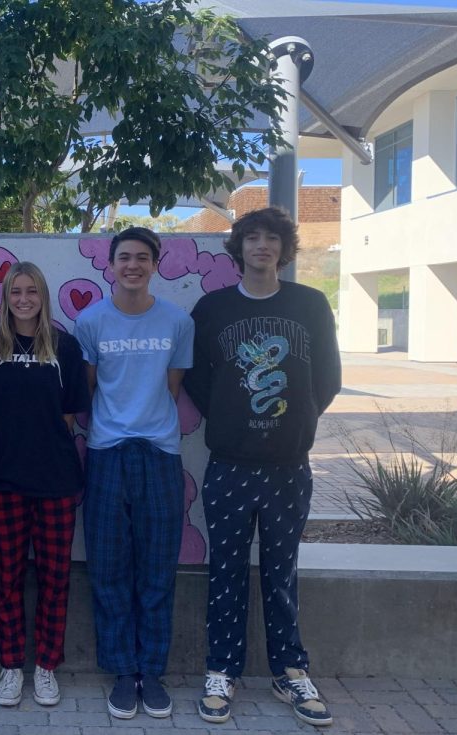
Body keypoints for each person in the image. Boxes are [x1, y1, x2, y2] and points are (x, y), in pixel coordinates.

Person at [183, 207, 341, 727]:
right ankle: (221, 672)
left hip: (288, 465)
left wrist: (296, 421)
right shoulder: (212, 309)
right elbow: (197, 380)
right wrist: (229, 417)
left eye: (272, 238)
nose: (262, 246)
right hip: (229, 464)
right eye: (252, 237)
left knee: (281, 572)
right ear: (238, 248)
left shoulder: (311, 305)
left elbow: (329, 380)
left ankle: (290, 670)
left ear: (284, 248)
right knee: (225, 572)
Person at [74, 227, 194, 720]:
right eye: (124, 257)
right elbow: (87, 391)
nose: (133, 265)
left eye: (142, 258)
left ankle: (153, 671)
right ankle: (124, 673)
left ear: (155, 264)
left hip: (160, 454)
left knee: (158, 571)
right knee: (107, 570)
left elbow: (171, 387)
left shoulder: (178, 321)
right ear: (111, 264)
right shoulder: (90, 321)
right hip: (106, 453)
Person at [0, 262, 90, 708]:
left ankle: (45, 666)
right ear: (5, 298)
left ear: (44, 296)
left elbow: (68, 416)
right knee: (7, 579)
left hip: (55, 481)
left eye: (32, 292)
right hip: (2, 481)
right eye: (15, 292)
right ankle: (10, 666)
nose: (23, 299)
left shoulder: (65, 346)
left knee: (54, 578)